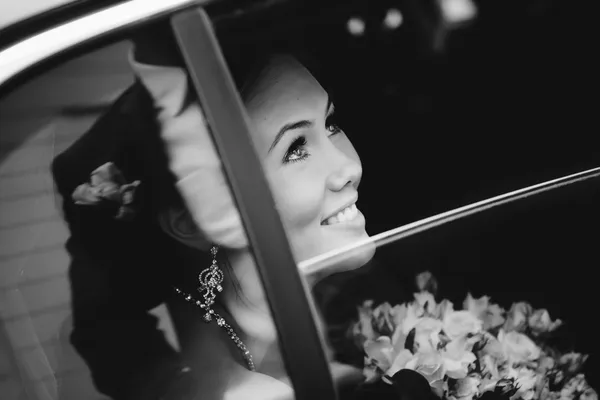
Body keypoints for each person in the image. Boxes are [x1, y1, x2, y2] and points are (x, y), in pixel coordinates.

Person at [52, 24, 376, 400]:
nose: (349, 168)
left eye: (331, 124)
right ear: (191, 222)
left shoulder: (342, 308)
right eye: (296, 149)